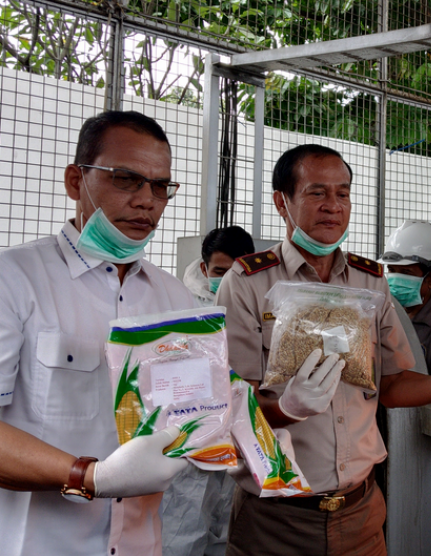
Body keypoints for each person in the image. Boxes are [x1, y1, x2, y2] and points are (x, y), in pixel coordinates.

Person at [217, 143, 431, 556]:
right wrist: (286, 408)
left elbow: (392, 384)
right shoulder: (247, 283)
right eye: (317, 192)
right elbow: (230, 405)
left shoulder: (369, 281)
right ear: (281, 202)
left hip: (360, 514)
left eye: (343, 193)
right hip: (277, 519)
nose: (333, 206)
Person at [0, 110, 196, 556]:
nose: (147, 200)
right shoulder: (14, 279)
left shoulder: (177, 300)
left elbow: (194, 418)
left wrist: (272, 415)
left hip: (142, 545)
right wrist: (90, 477)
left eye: (161, 186)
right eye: (126, 179)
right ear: (76, 182)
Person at [163, 225, 255, 556]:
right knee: (184, 524)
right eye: (219, 271)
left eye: (235, 271)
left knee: (227, 525)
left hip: (238, 431)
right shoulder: (179, 302)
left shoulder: (254, 299)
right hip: (192, 432)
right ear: (204, 268)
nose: (227, 279)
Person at [378, 219, 431, 556]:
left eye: (405, 271)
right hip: (379, 434)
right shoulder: (378, 312)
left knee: (428, 511)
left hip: (423, 440)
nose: (394, 278)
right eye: (391, 269)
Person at [181, 225, 256, 307]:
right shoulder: (189, 307)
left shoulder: (263, 303)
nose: (229, 279)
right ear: (204, 270)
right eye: (219, 272)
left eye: (237, 273)